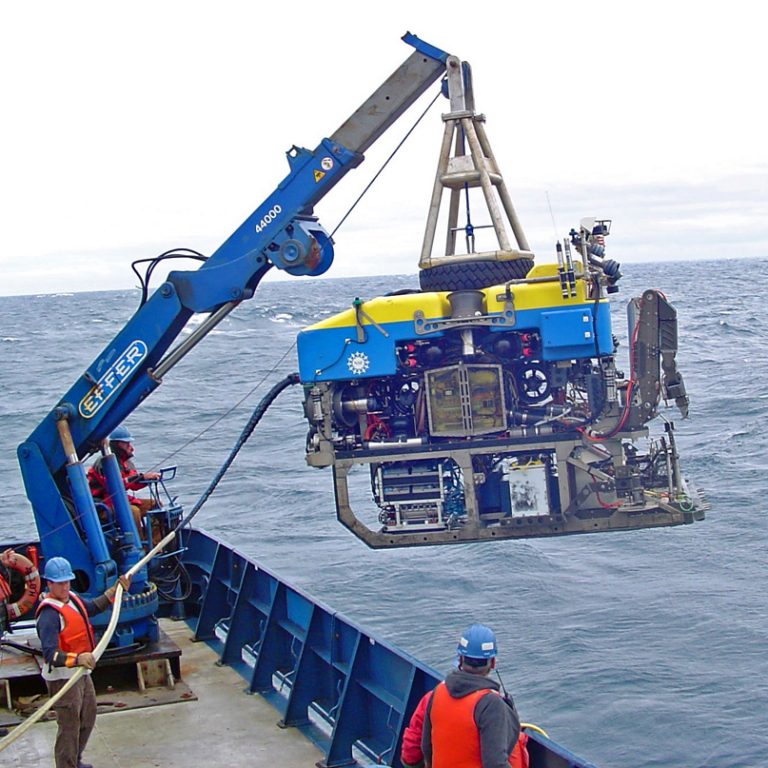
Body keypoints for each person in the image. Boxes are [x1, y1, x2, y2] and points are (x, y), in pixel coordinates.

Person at [35, 556, 130, 768]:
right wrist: (78, 659)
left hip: (81, 674)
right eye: (59, 583)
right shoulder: (49, 615)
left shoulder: (73, 599)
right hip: (63, 680)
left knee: (88, 716)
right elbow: (50, 654)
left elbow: (93, 607)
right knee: (69, 726)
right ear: (49, 583)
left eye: (67, 582)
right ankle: (66, 765)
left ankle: (75, 760)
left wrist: (114, 591)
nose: (65, 587)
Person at [420, 623, 522, 768]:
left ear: (461, 659)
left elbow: (426, 746)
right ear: (492, 662)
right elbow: (495, 764)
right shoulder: (490, 703)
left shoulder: (439, 691)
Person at [87, 426, 160, 539]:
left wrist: (147, 479)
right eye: (127, 444)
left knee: (156, 505)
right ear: (118, 444)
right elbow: (113, 486)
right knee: (133, 512)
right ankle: (138, 546)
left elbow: (134, 485)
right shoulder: (104, 463)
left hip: (120, 501)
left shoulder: (127, 463)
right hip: (103, 505)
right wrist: (140, 477)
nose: (131, 448)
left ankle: (155, 545)